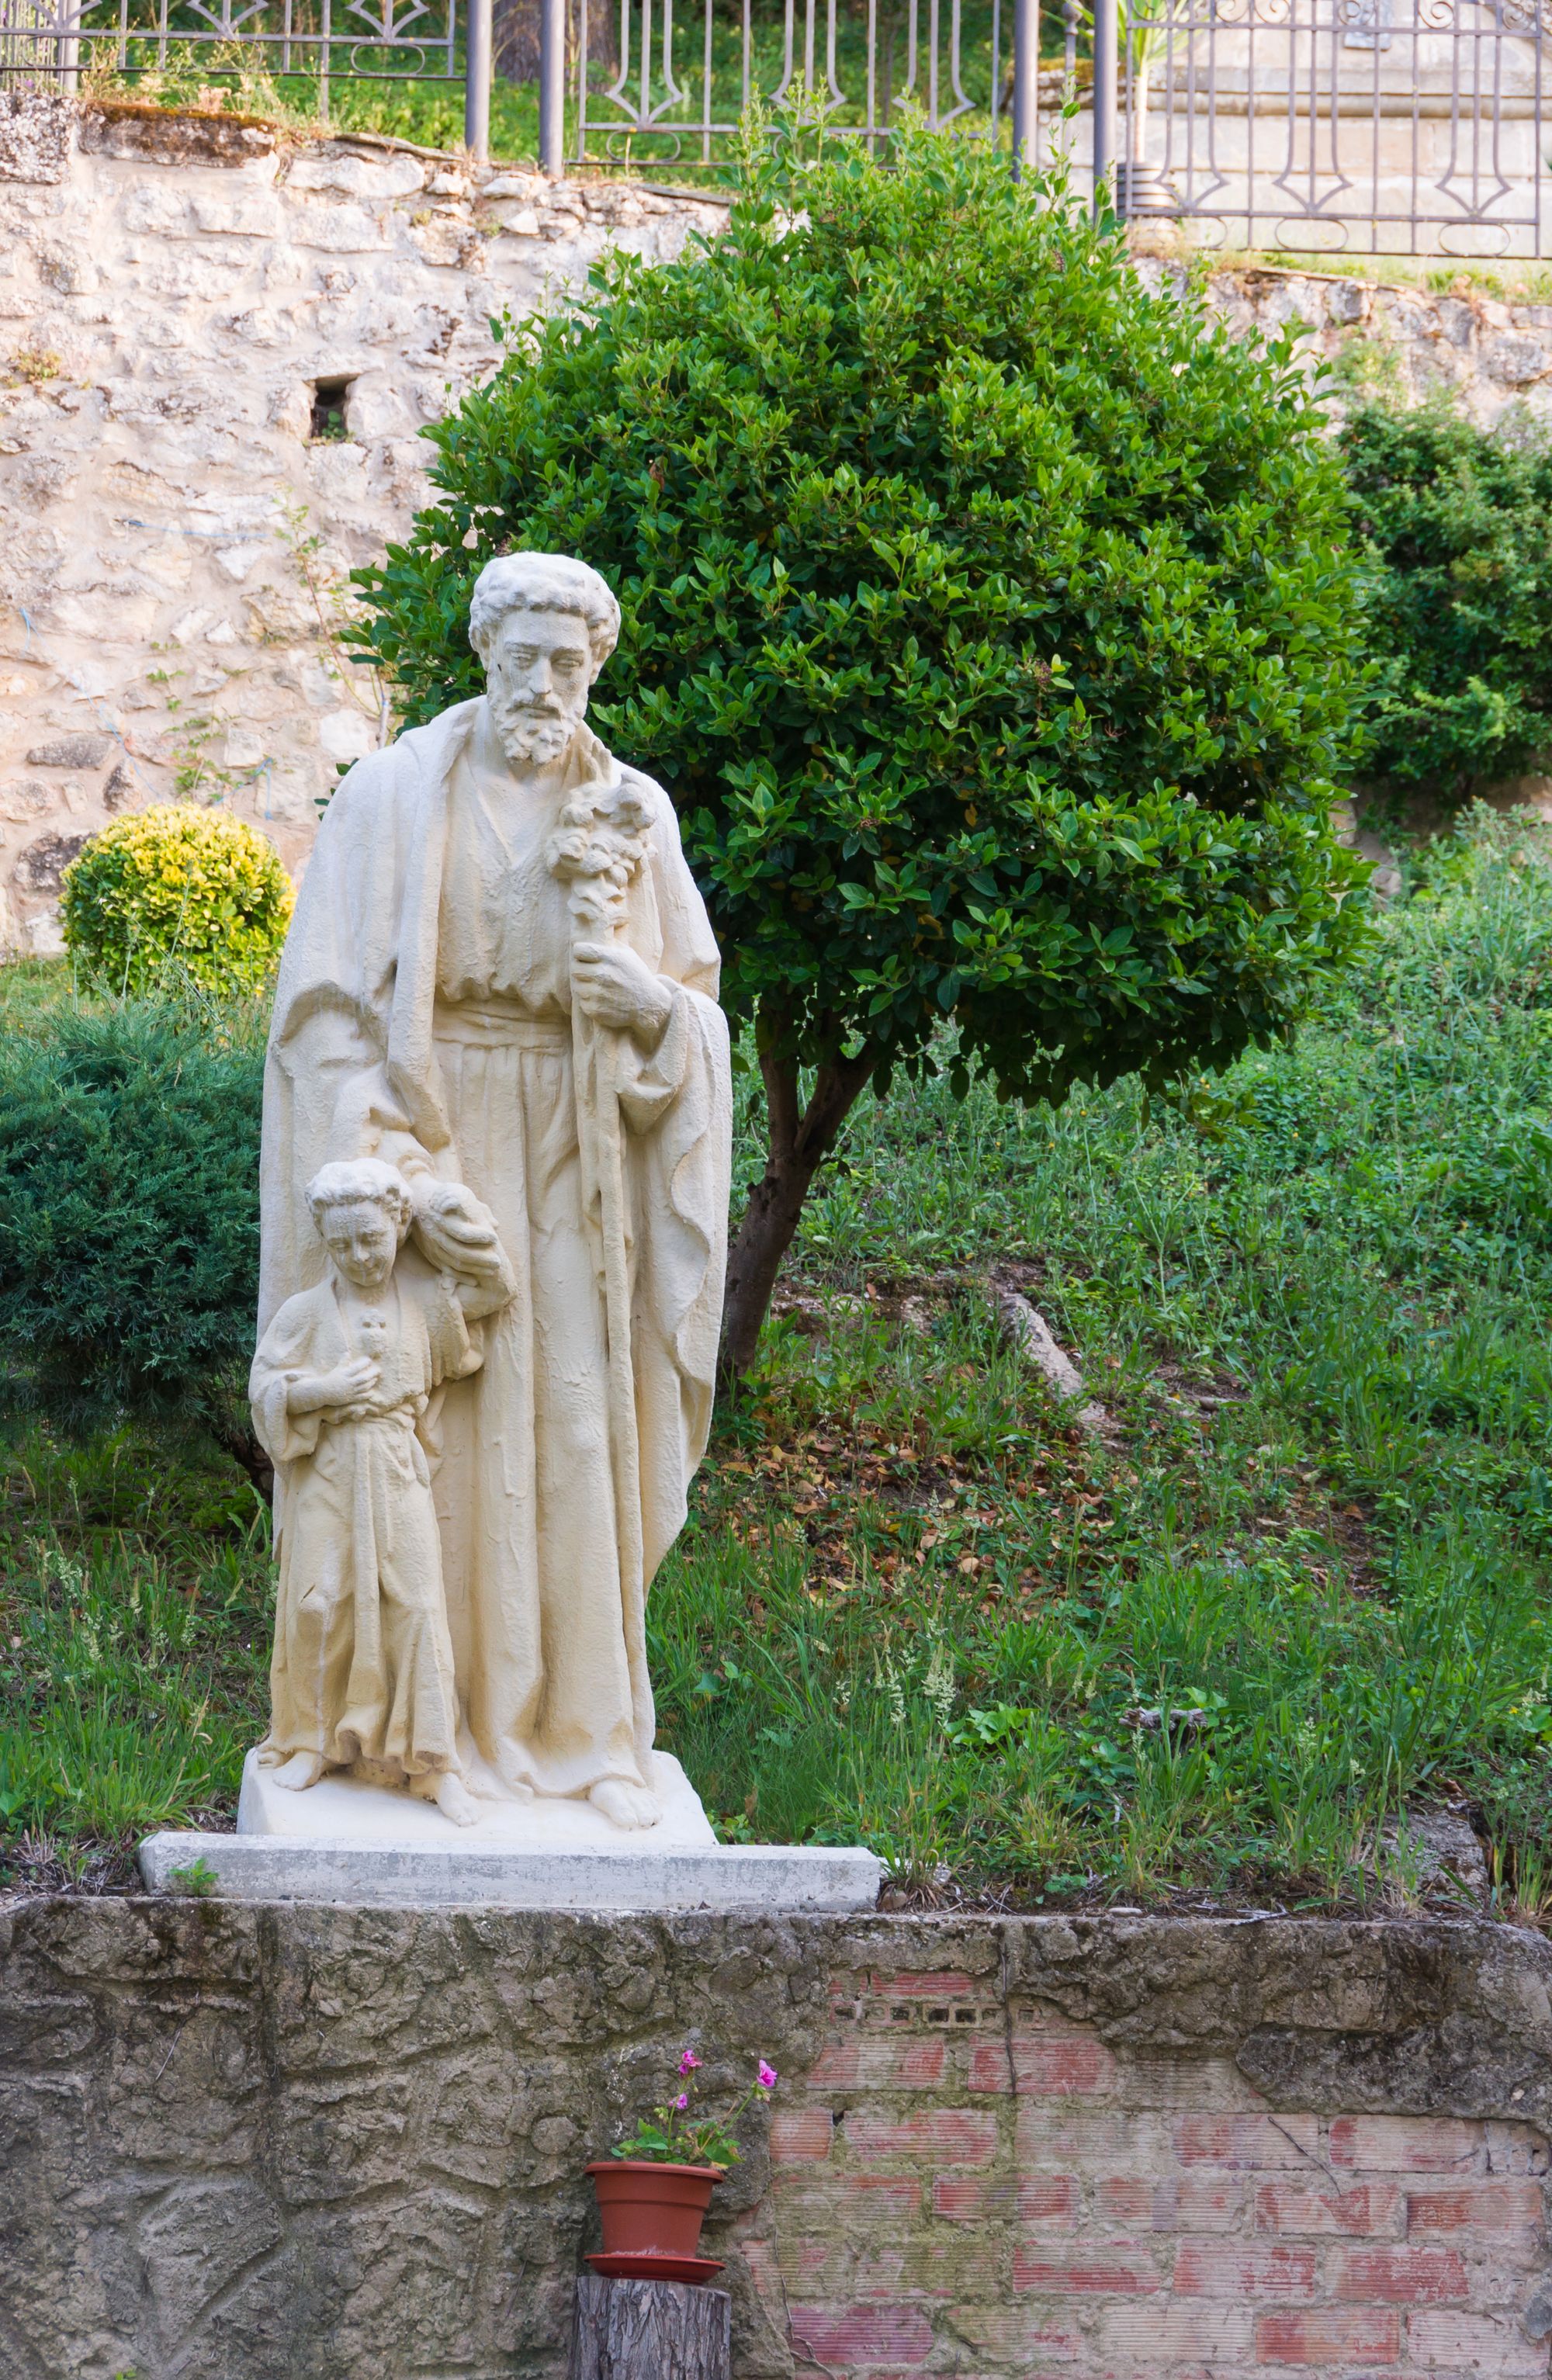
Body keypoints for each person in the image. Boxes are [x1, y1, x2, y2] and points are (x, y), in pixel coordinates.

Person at [258, 553, 732, 1828]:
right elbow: (320, 1007)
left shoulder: (636, 810)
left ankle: (588, 1731)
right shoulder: (394, 794)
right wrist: (390, 1163)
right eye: (522, 653)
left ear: (596, 667)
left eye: (567, 661)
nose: (544, 681)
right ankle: (411, 1730)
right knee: (431, 1443)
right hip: (427, 1128)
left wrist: (653, 1016)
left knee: (579, 1428)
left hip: (580, 1150)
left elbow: (692, 1002)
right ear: (483, 652)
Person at [250, 1157, 516, 1827]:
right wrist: (323, 1391)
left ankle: (433, 1767)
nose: (358, 1255)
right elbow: (265, 1390)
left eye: (371, 1238)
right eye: (341, 1243)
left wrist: (439, 1207)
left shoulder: (426, 1304)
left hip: (398, 1469)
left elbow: (497, 1286)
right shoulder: (305, 1312)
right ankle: (313, 1742)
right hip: (330, 1473)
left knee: (419, 1608)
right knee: (320, 1603)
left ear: (397, 1231)